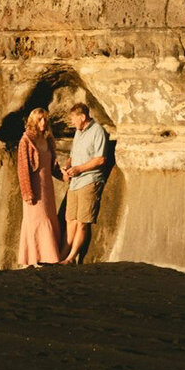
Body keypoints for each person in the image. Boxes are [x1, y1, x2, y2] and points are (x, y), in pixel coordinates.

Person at [16, 106, 64, 266]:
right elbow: (22, 169)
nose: (43, 123)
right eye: (40, 120)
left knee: (49, 218)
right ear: (33, 121)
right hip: (34, 187)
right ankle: (32, 259)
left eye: (45, 119)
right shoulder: (26, 141)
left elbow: (52, 166)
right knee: (37, 219)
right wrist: (27, 193)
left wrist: (64, 176)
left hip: (47, 187)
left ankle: (47, 257)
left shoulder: (48, 140)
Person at [61, 100, 107, 264]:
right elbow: (73, 156)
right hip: (75, 182)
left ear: (82, 117)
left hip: (89, 181)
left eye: (73, 118)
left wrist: (79, 169)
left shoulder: (97, 131)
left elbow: (100, 159)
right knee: (70, 219)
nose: (71, 122)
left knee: (82, 222)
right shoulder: (78, 132)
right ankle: (63, 255)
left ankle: (71, 257)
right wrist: (67, 166)